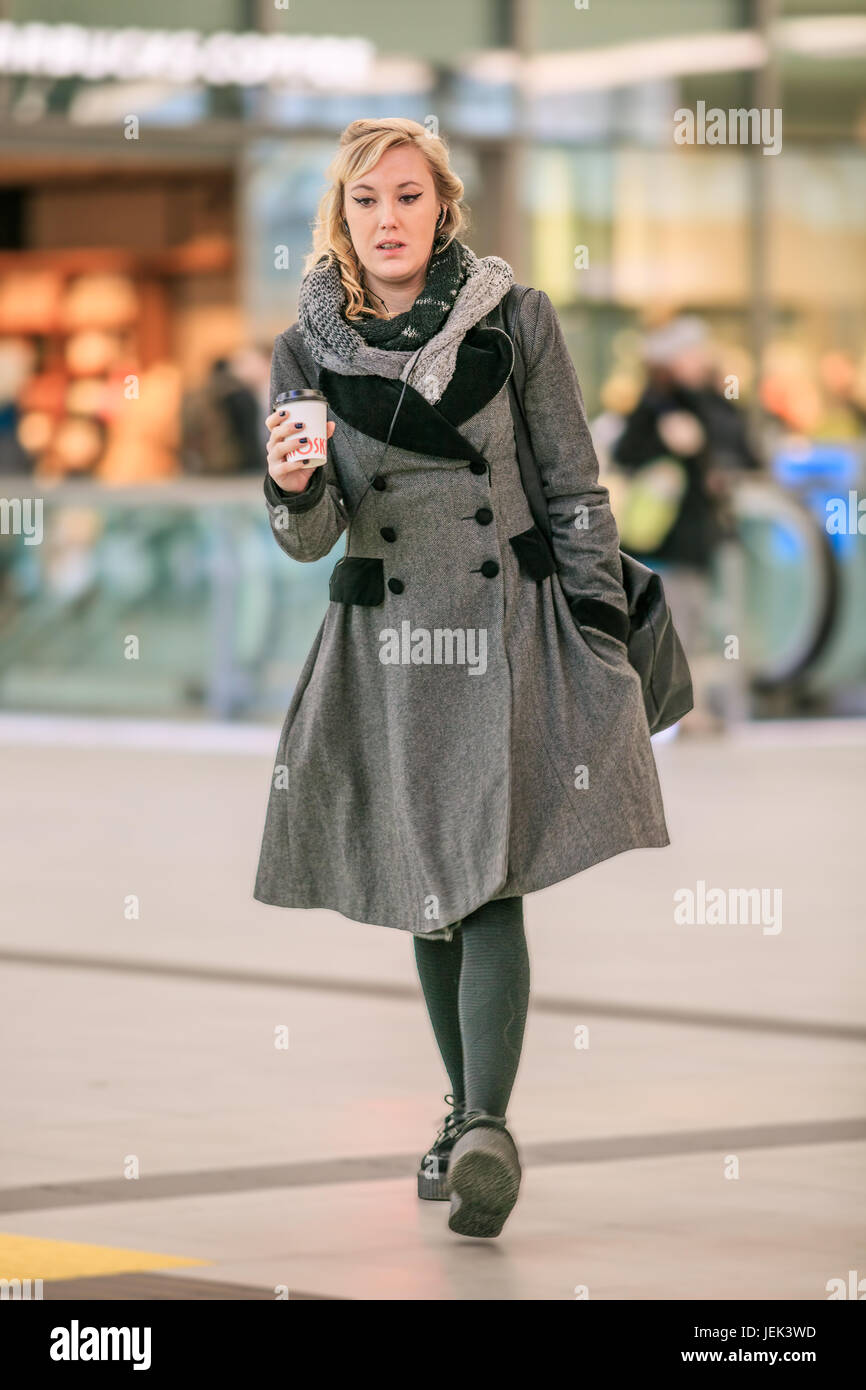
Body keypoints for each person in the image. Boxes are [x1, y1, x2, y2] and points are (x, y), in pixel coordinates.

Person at [254, 117, 670, 1239]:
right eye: (364, 202)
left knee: (484, 873)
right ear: (339, 221)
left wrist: (594, 633)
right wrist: (291, 486)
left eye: (405, 196)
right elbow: (310, 537)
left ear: (442, 206)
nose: (386, 219)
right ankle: (461, 1114)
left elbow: (575, 488)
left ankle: (482, 1120)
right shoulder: (305, 349)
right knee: (425, 879)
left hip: (508, 624)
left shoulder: (516, 319)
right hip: (385, 638)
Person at [612, 317, 761, 731]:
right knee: (672, 623)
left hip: (706, 533)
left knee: (703, 621)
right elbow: (628, 453)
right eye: (688, 352)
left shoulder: (712, 400)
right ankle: (671, 713)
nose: (698, 359)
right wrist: (667, 442)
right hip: (664, 538)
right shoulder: (656, 403)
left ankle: (694, 709)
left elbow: (745, 452)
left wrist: (713, 461)